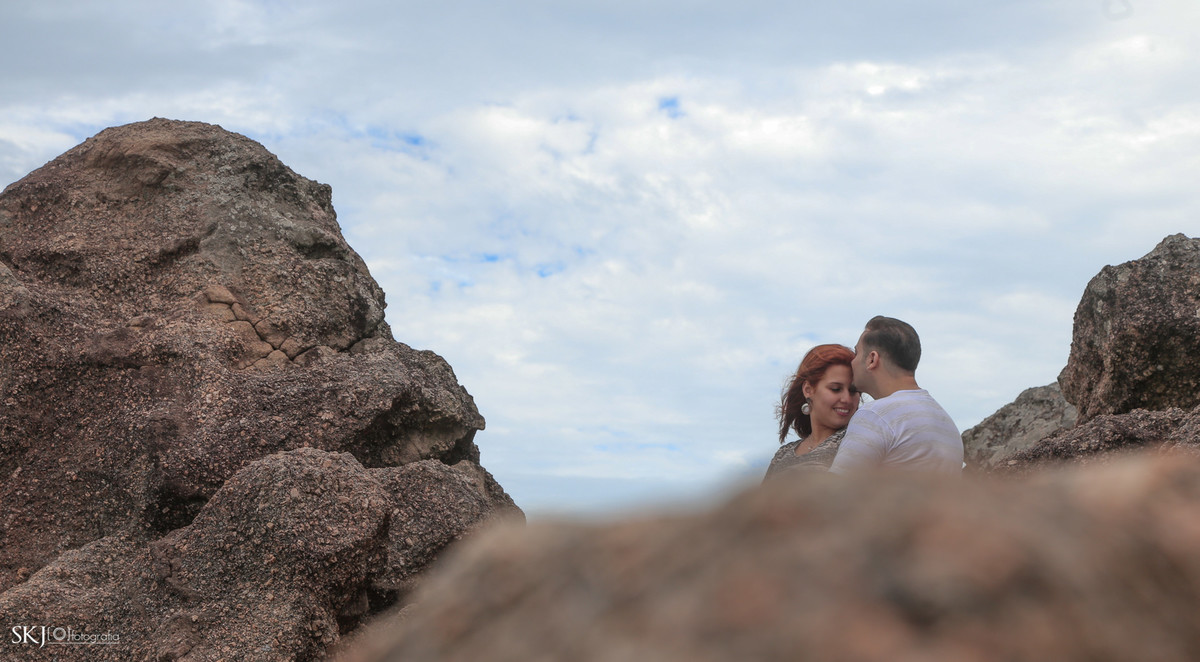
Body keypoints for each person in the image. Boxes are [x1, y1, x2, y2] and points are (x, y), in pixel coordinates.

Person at [828, 316, 963, 474]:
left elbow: (836, 491)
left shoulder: (875, 415)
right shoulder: (947, 423)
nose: (852, 362)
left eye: (857, 353)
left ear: (872, 359)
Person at [763, 344, 861, 481]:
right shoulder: (782, 455)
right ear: (808, 390)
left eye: (853, 391)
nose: (846, 399)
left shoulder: (860, 441)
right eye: (835, 389)